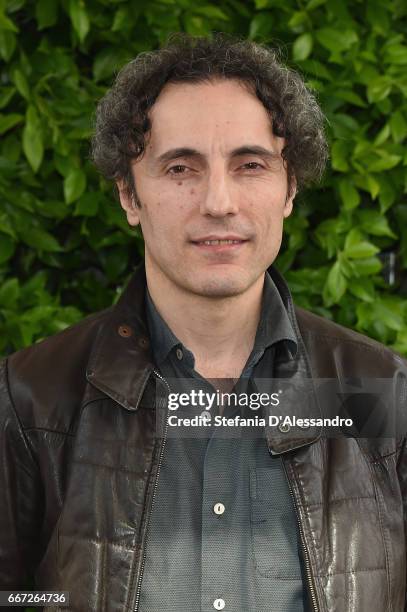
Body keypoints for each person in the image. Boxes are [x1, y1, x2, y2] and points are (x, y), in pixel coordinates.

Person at [0, 33, 406, 612]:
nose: (219, 201)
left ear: (289, 187)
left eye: (250, 165)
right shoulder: (28, 399)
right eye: (180, 167)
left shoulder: (386, 394)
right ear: (128, 194)